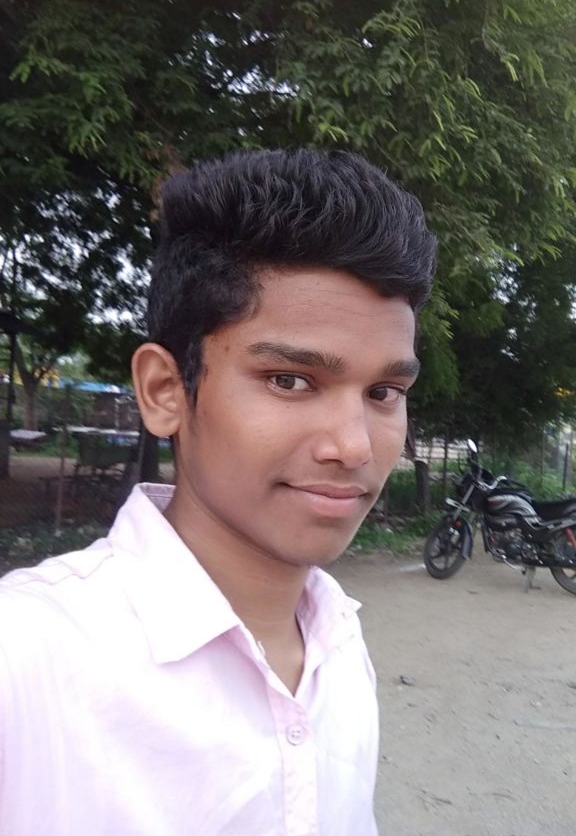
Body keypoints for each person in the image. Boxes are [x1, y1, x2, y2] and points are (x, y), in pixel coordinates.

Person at [0, 149, 436, 835]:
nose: (354, 446)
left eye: (384, 392)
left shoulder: (338, 640)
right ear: (164, 391)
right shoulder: (28, 657)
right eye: (290, 380)